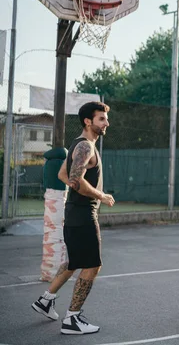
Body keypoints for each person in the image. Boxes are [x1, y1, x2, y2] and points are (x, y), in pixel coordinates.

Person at [32, 101, 115, 335]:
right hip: (83, 214)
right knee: (92, 266)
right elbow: (76, 181)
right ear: (88, 121)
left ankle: (45, 300)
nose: (106, 123)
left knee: (75, 261)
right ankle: (73, 319)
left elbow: (62, 174)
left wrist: (78, 185)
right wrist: (102, 195)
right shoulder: (86, 146)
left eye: (106, 119)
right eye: (101, 119)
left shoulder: (78, 145)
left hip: (75, 213)